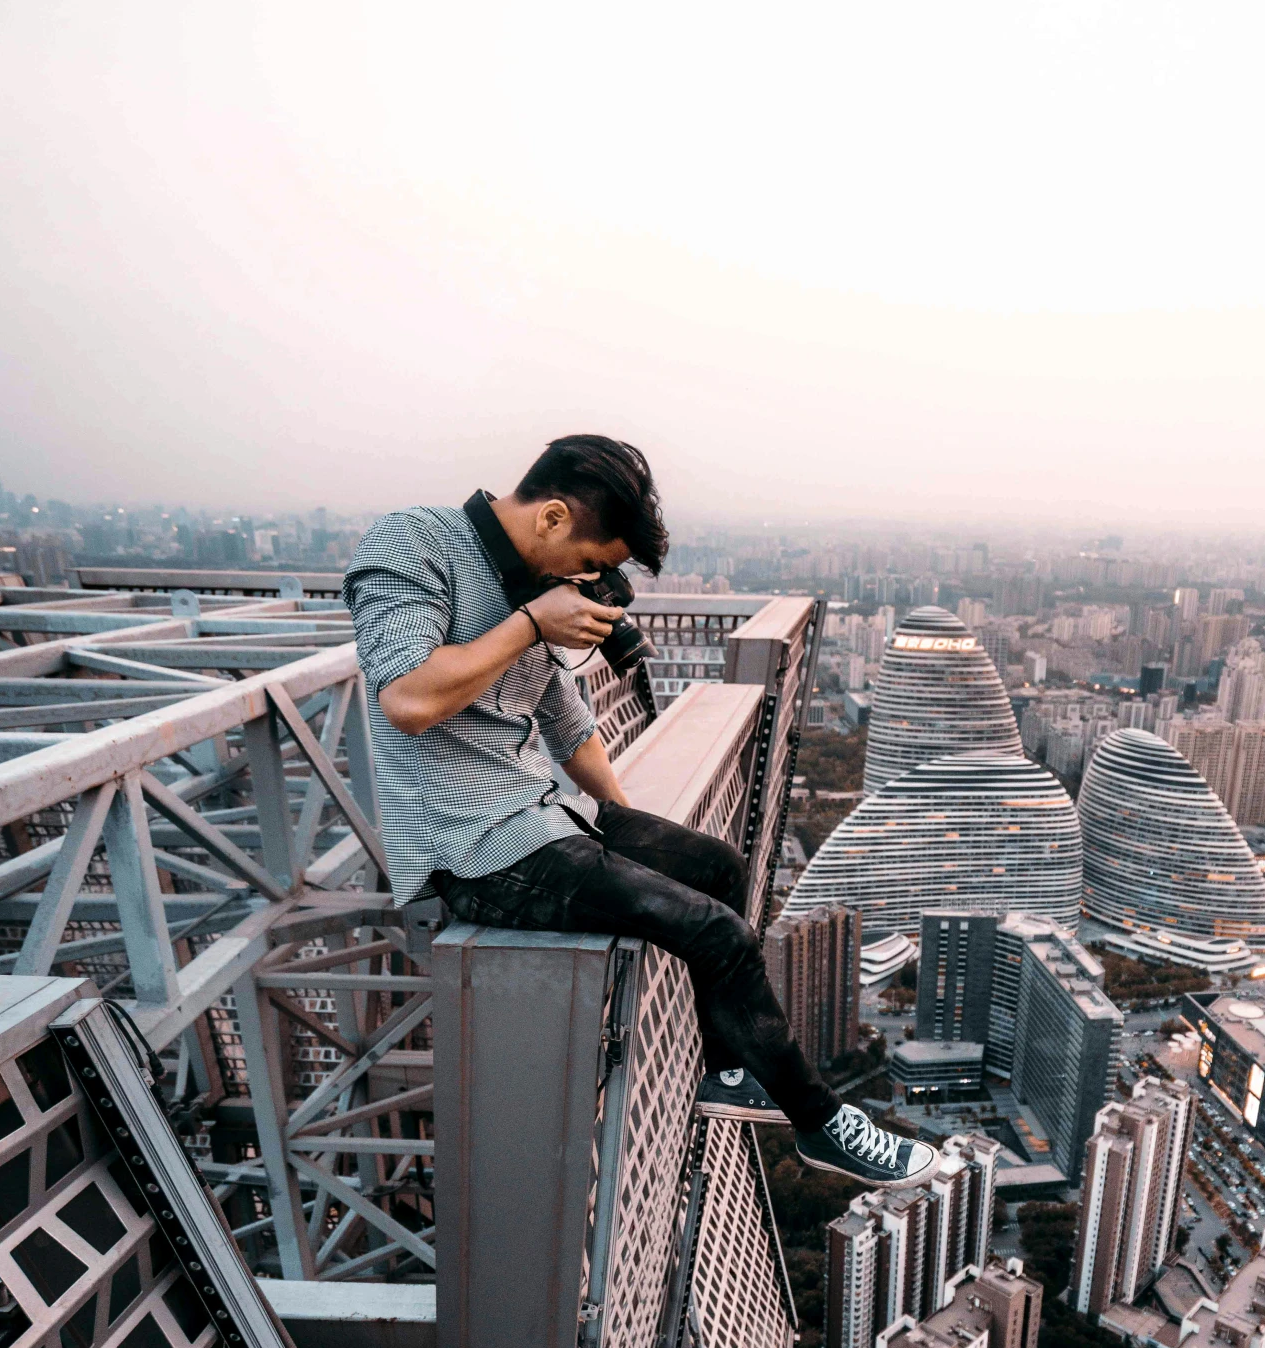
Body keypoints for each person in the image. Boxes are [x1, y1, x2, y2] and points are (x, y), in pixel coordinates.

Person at [344, 434, 934, 1186]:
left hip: (548, 815)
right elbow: (407, 700)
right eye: (590, 561)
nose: (589, 579)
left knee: (715, 867)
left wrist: (622, 827)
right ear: (553, 517)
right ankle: (821, 1126)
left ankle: (723, 1073)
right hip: (471, 848)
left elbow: (560, 716)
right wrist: (532, 624)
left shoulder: (527, 581)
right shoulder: (414, 542)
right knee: (712, 932)